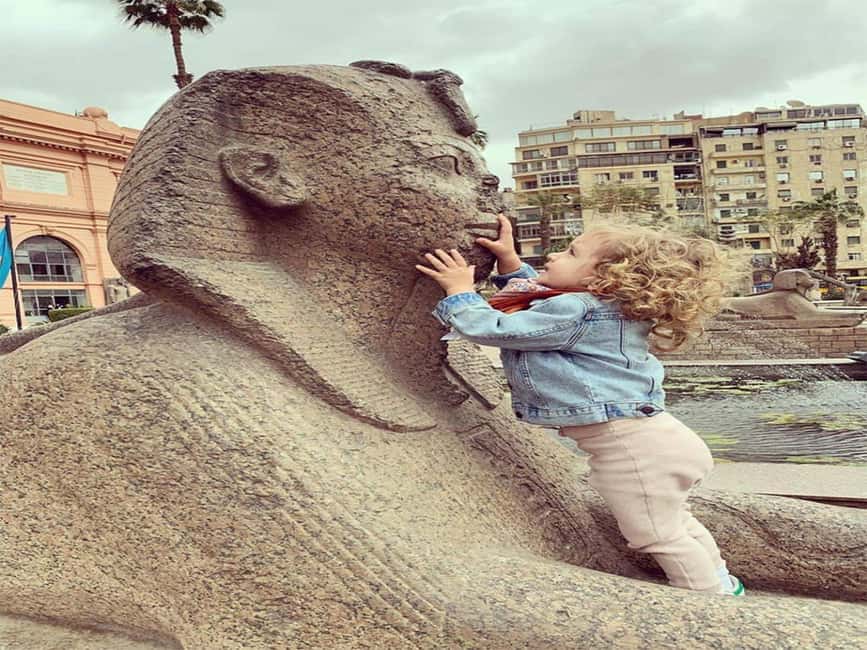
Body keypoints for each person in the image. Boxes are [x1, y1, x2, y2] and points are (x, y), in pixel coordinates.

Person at [417, 214, 744, 596]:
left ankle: (708, 602)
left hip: (635, 450)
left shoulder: (579, 310)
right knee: (675, 522)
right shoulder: (599, 308)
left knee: (656, 535)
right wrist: (509, 262)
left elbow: (495, 327)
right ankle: (723, 583)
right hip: (656, 442)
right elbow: (534, 302)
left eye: (571, 252)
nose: (554, 255)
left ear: (604, 279)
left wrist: (459, 291)